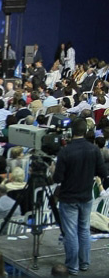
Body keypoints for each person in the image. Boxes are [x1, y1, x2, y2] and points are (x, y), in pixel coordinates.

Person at [52, 118, 107, 275]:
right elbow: (103, 173)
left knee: (71, 233)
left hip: (69, 198)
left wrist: (53, 169)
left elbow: (57, 179)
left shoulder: (65, 151)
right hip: (86, 196)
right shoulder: (94, 150)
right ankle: (84, 263)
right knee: (83, 230)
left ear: (71, 131)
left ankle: (73, 266)